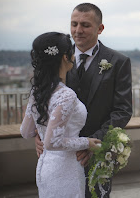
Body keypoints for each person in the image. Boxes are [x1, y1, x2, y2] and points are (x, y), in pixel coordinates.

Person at [35, 3, 132, 198]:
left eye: (85, 25)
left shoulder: (118, 62)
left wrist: (93, 145)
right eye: (74, 24)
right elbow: (40, 99)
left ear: (100, 28)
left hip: (97, 154)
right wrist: (40, 134)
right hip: (60, 157)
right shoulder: (56, 58)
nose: (78, 31)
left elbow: (122, 110)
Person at [20, 32, 102, 197]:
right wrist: (87, 142)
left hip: (45, 166)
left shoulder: (38, 91)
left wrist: (41, 133)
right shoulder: (66, 95)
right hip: (66, 169)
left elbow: (26, 131)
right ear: (66, 57)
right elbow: (52, 142)